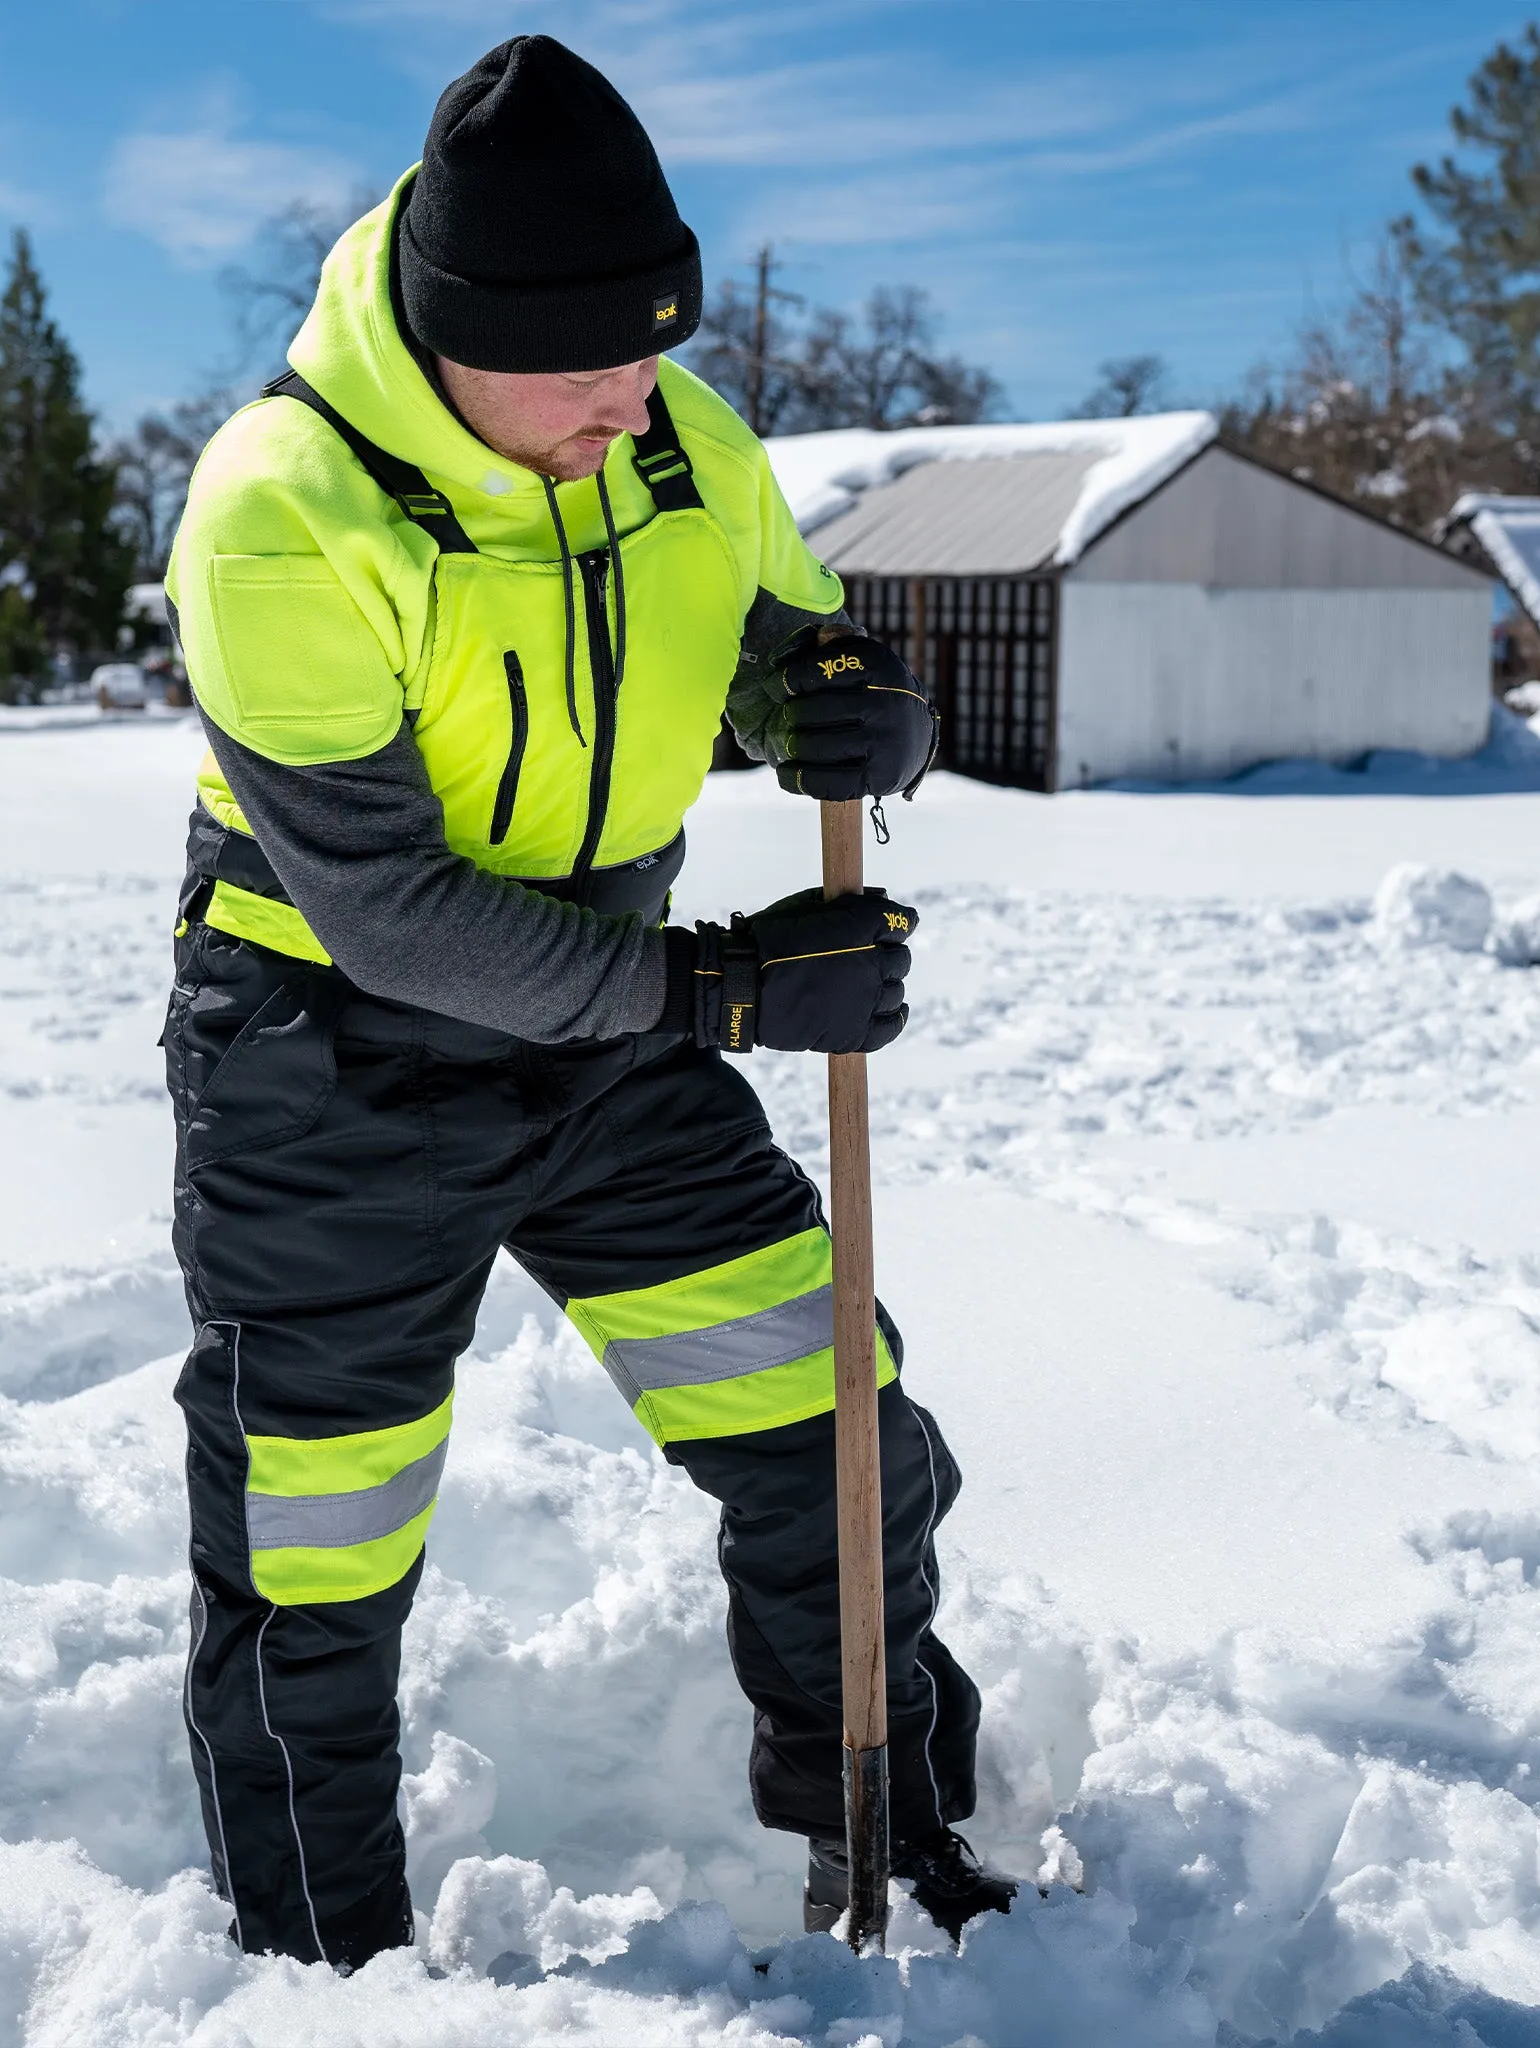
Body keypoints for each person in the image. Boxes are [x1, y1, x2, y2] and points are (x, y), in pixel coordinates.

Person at [161, 33, 1013, 1972]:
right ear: (449, 336)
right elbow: (384, 904)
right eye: (582, 362)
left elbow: (778, 648)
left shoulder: (674, 438)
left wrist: (846, 711)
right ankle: (327, 1978)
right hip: (332, 1051)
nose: (631, 399)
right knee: (317, 1552)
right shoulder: (281, 507)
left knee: (837, 1428)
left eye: (654, 347)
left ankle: (891, 1846)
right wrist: (714, 991)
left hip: (614, 1030)